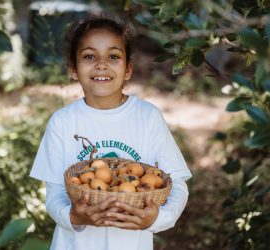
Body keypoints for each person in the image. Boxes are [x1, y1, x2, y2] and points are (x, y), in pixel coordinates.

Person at [29, 15, 192, 250]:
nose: (101, 64)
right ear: (73, 69)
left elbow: (176, 183)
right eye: (89, 56)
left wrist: (158, 219)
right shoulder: (63, 122)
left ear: (128, 69)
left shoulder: (147, 117)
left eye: (113, 56)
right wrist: (74, 217)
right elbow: (54, 195)